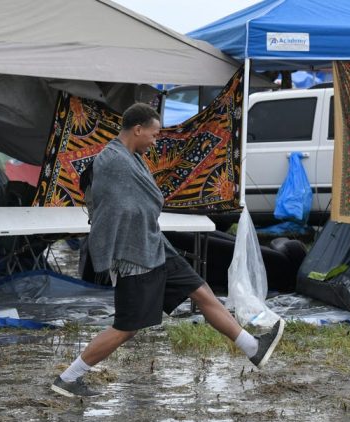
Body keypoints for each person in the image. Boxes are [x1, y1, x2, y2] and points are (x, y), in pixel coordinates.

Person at [52, 103, 284, 398]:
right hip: (133, 256)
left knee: (202, 292)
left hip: (154, 244)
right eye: (154, 133)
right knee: (126, 328)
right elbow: (118, 206)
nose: (155, 140)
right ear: (138, 129)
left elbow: (144, 201)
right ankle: (68, 378)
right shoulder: (113, 160)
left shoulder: (132, 157)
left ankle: (253, 347)